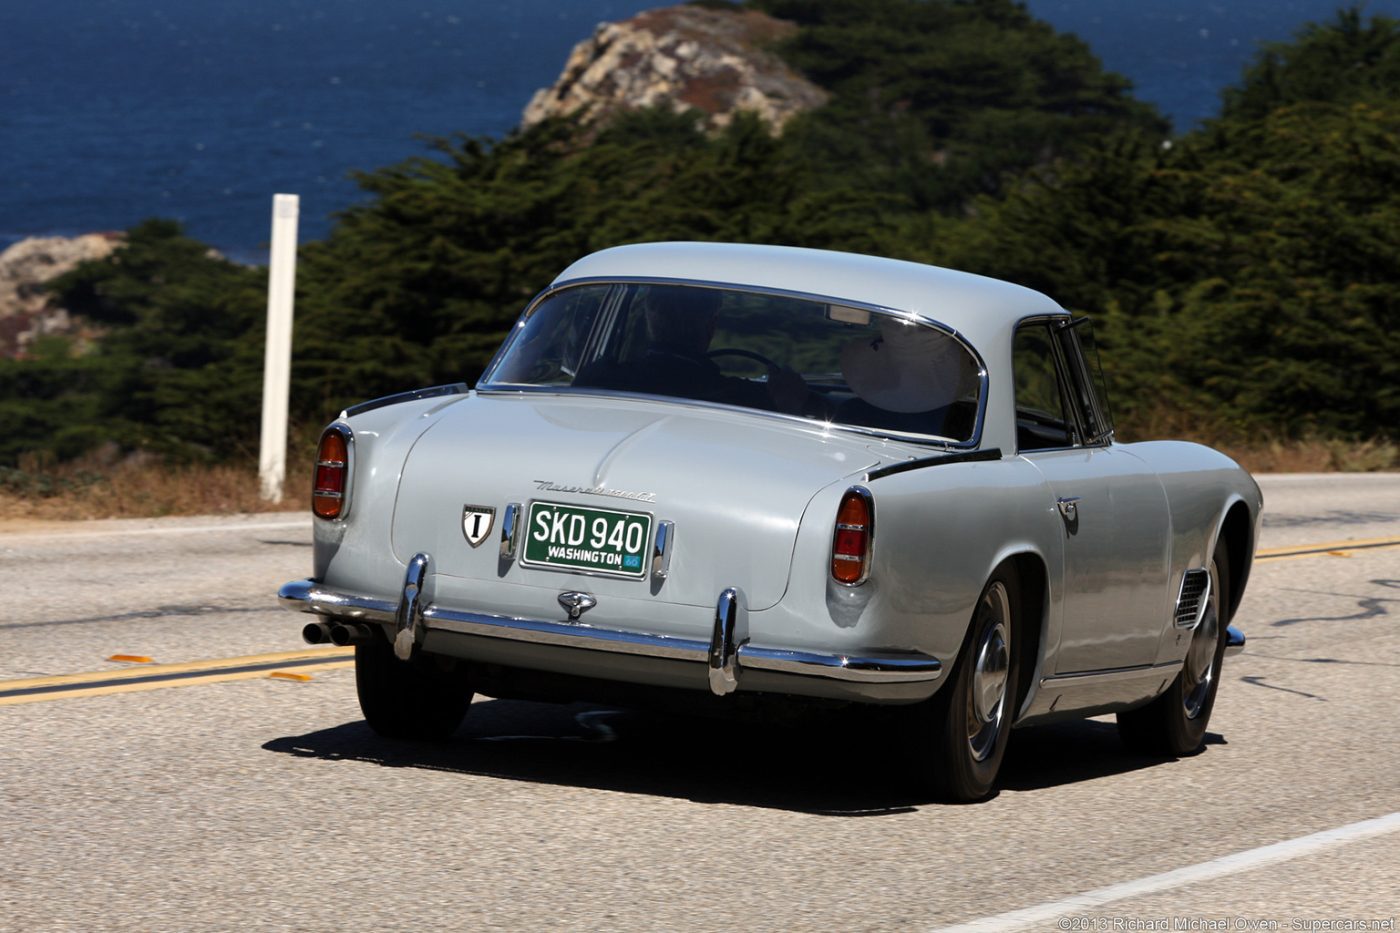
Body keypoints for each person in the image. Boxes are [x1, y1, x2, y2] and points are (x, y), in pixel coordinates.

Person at [575, 285, 810, 414]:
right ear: (711, 326)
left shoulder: (599, 378)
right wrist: (789, 403)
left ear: (650, 318)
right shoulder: (745, 399)